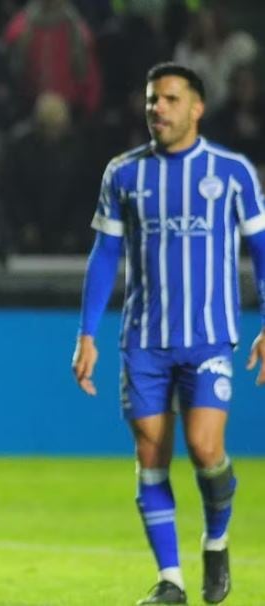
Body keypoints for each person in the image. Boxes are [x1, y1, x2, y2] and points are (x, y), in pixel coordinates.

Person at [72, 62, 265, 606]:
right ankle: (172, 580)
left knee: (206, 450)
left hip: (208, 338)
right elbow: (105, 254)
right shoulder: (124, 174)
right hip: (144, 342)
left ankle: (217, 539)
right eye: (153, 99)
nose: (158, 108)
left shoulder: (231, 173)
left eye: (171, 99)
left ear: (197, 107)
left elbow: (261, 250)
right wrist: (87, 333)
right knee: (150, 456)